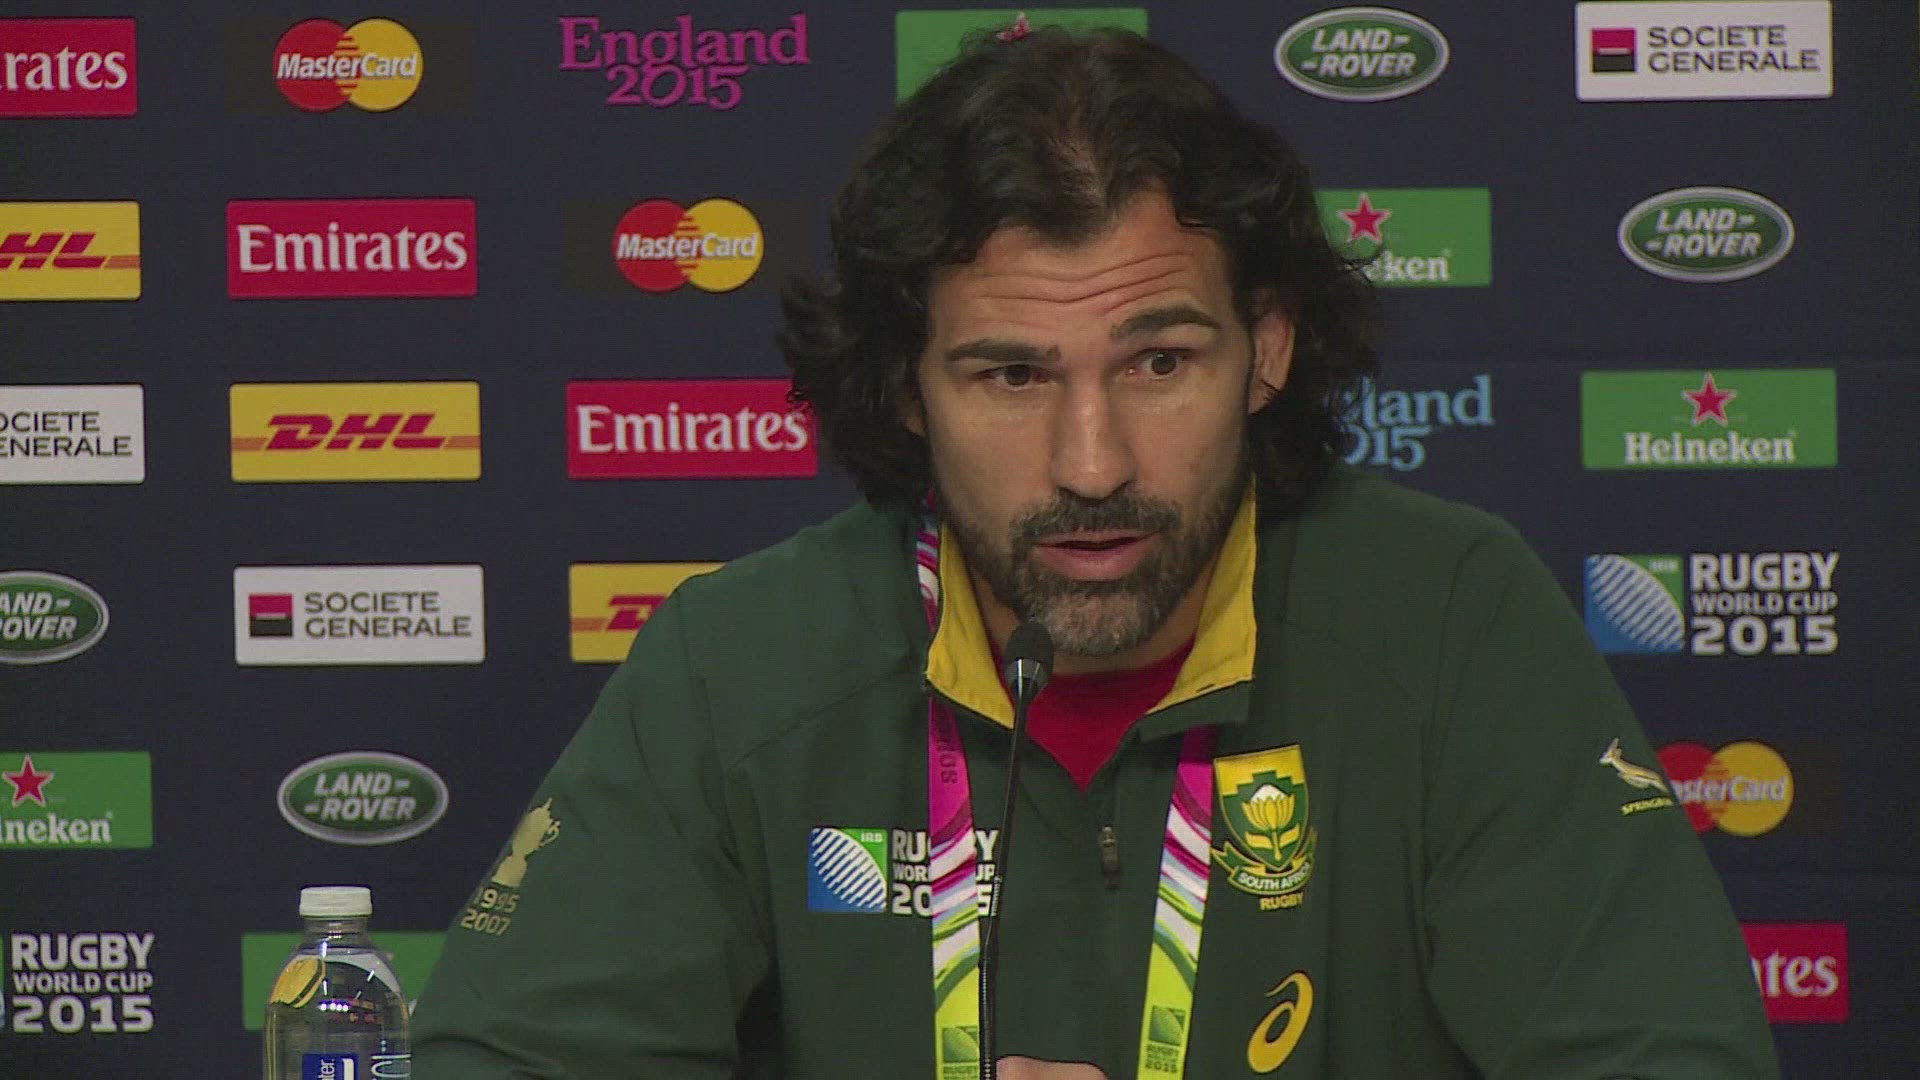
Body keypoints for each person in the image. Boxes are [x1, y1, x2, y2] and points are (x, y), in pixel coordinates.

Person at [411, 26, 1779, 1080]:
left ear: (1268, 348)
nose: (1093, 464)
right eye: (1012, 375)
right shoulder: (743, 664)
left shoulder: (1451, 620)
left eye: (1159, 361)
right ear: (905, 389)